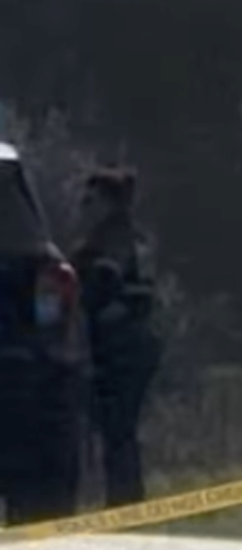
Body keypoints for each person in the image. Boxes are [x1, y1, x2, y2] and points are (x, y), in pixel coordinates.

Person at [72, 168, 161, 509]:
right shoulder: (121, 241)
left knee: (117, 429)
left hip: (122, 351)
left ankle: (124, 505)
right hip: (120, 349)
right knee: (116, 431)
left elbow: (101, 290)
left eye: (90, 200)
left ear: (108, 204)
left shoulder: (115, 244)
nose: (83, 207)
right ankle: (122, 501)